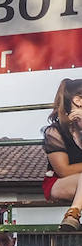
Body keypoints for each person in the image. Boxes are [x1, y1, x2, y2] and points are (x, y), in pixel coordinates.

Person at [41, 78, 82, 230]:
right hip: (59, 183)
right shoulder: (55, 131)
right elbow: (63, 171)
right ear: (77, 100)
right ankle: (72, 214)